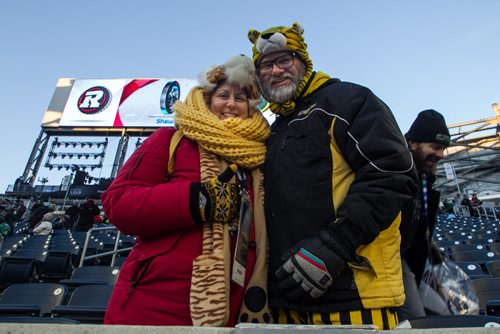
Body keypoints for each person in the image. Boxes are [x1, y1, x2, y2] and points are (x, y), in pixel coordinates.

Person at [247, 22, 418, 329]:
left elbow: (392, 173)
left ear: (304, 61)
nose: (276, 71)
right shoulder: (272, 132)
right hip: (286, 304)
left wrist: (334, 247)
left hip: (356, 299)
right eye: (266, 65)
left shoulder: (347, 100)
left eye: (285, 60)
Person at [102, 55, 271, 326]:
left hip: (231, 308)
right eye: (223, 95)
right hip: (154, 304)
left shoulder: (256, 159)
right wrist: (198, 200)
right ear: (206, 100)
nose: (231, 104)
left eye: (240, 99)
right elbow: (118, 203)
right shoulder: (170, 140)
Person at [398, 109, 450, 320]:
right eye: (436, 147)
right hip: (391, 262)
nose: (440, 154)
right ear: (412, 144)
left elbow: (418, 224)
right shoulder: (392, 173)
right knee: (417, 320)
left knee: (442, 314)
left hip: (415, 263)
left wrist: (433, 251)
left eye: (443, 148)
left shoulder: (424, 179)